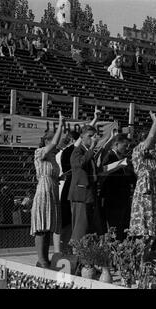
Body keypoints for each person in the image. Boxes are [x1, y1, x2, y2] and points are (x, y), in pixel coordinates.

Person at [31, 111, 64, 268]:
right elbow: (55, 143)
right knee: (40, 226)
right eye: (53, 141)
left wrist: (60, 178)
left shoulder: (52, 158)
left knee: (48, 227)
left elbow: (53, 174)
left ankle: (44, 259)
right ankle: (42, 259)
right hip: (44, 191)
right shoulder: (40, 152)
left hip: (52, 190)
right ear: (47, 141)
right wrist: (61, 123)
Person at [129, 112, 156, 256]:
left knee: (152, 230)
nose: (154, 146)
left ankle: (146, 255)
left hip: (154, 197)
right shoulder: (137, 152)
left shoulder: (153, 159)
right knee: (142, 230)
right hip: (144, 197)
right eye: (153, 144)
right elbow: (150, 139)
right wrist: (155, 122)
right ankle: (139, 258)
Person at [100, 134, 135, 241]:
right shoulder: (108, 156)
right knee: (113, 226)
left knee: (123, 226)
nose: (127, 148)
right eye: (124, 146)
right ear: (116, 144)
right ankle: (113, 249)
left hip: (123, 197)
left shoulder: (125, 158)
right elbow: (103, 172)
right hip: (113, 198)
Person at [68, 125, 99, 241]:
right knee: (80, 226)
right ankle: (76, 252)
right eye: (89, 136)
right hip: (81, 194)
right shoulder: (77, 151)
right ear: (82, 137)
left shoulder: (88, 152)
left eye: (94, 136)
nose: (92, 139)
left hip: (89, 193)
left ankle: (84, 253)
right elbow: (80, 163)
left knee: (88, 226)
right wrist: (92, 148)